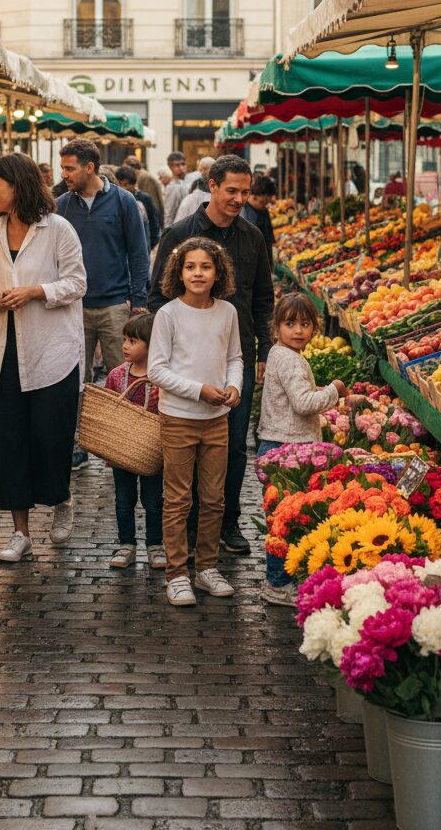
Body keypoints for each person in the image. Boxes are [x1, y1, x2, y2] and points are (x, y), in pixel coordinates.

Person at [149, 154, 274, 556]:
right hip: (187, 359)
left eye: (245, 191)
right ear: (212, 185)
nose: (239, 199)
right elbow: (157, 297)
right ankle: (183, 527)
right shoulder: (180, 233)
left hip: (237, 355)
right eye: (232, 190)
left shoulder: (252, 235)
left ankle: (226, 522)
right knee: (182, 445)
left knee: (233, 444)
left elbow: (263, 297)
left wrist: (264, 351)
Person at [0, 152, 86, 562]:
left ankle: (61, 499)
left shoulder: (58, 230)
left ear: (17, 186)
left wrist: (35, 291)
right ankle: (20, 532)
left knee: (49, 437)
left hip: (52, 349)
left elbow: (77, 283)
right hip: (6, 348)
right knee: (10, 441)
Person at [148, 237, 242, 607]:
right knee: (177, 499)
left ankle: (206, 567)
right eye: (191, 267)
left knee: (214, 498)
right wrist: (198, 390)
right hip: (179, 419)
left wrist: (233, 386)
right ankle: (177, 574)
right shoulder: (169, 314)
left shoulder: (228, 313)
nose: (198, 273)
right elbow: (157, 369)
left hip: (218, 418)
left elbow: (235, 356)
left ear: (217, 272)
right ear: (179, 272)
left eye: (205, 266)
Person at [56, 139, 150, 468]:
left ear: (90, 167)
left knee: (122, 378)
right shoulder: (61, 206)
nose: (64, 173)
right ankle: (76, 446)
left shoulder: (124, 202)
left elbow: (139, 253)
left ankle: (123, 447)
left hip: (114, 306)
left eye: (69, 168)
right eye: (63, 167)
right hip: (72, 308)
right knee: (73, 380)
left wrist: (139, 300)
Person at [256, 294, 346, 606]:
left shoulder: (279, 354)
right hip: (287, 451)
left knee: (281, 517)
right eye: (290, 323)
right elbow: (303, 404)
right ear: (276, 326)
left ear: (314, 328)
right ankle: (278, 583)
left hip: (277, 444)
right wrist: (334, 390)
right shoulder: (291, 359)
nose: (298, 330)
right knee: (284, 520)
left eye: (305, 324)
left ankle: (283, 579)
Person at [104, 312, 164, 571]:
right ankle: (126, 543)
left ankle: (155, 544)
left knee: (153, 500)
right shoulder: (117, 375)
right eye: (125, 340)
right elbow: (107, 405)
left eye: (132, 341)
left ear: (152, 346)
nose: (125, 346)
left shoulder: (162, 377)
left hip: (152, 450)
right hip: (122, 449)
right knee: (123, 499)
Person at [116, 165, 160, 249]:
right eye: (120, 184)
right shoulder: (116, 199)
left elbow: (153, 223)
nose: (123, 188)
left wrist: (152, 244)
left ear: (134, 184)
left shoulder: (145, 199)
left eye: (126, 184)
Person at [241, 174, 276, 265]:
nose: (265, 205)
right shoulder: (241, 212)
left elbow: (268, 241)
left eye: (266, 203)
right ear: (254, 196)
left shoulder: (264, 212)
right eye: (263, 202)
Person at [174, 156, 214, 222]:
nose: (202, 172)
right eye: (200, 170)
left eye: (205, 169)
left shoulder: (220, 185)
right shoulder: (196, 183)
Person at [162, 151, 189, 227]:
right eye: (177, 165)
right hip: (179, 230)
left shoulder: (187, 182)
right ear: (170, 167)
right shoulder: (173, 187)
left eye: (183, 164)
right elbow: (169, 215)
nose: (181, 168)